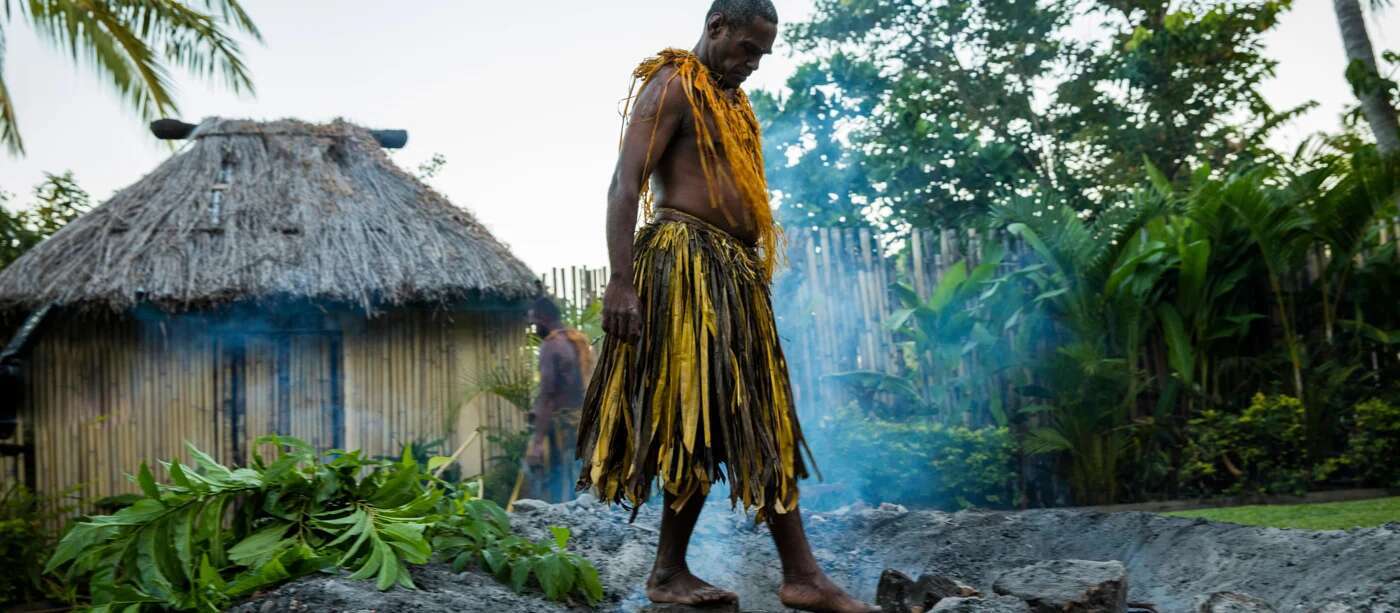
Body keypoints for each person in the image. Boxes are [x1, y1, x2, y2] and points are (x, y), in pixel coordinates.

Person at [572, 1, 880, 611]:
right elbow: (624, 184)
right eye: (747, 49)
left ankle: (738, 573)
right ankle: (770, 574)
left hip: (732, 275)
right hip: (685, 264)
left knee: (753, 415)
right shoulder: (672, 84)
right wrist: (621, 282)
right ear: (717, 28)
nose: (754, 64)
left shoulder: (733, 102)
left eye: (762, 55)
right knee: (703, 414)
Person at [524, 296, 592, 503]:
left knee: (562, 488)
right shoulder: (579, 341)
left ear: (544, 319)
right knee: (582, 487)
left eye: (534, 323)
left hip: (564, 429)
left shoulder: (551, 346)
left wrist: (537, 443)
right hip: (585, 424)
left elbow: (548, 396)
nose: (533, 330)